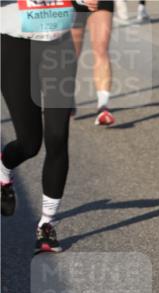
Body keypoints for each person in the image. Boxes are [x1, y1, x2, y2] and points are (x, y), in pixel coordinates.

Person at [1, 0, 90, 252]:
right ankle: (3, 168)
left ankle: (46, 224)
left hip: (58, 45)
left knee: (57, 136)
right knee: (29, 144)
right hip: (15, 45)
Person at [71, 0, 115, 125]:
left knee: (101, 48)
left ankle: (103, 106)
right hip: (72, 3)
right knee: (71, 54)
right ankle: (68, 97)